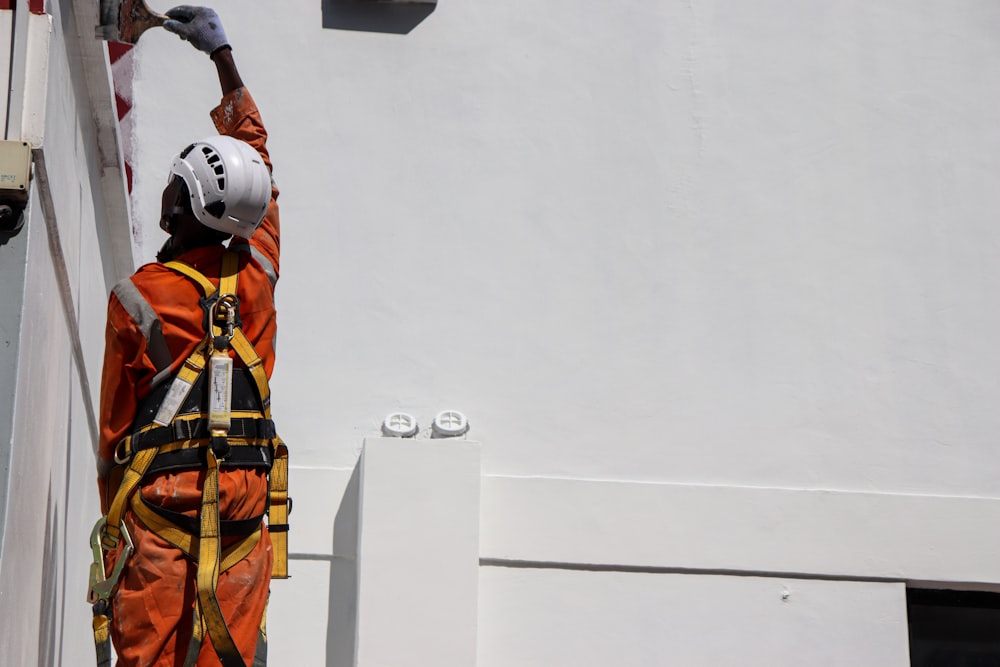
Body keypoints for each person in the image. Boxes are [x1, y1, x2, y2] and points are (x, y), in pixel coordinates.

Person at [94, 6, 287, 666]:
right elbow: (257, 161)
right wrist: (222, 55)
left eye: (175, 181)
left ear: (181, 207)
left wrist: (115, 526)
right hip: (241, 538)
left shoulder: (138, 297)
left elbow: (115, 436)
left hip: (155, 535)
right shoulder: (258, 274)